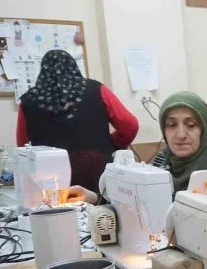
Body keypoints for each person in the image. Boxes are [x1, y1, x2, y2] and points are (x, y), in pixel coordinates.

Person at [66, 91, 207, 203]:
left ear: (204, 128)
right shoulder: (163, 159)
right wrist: (95, 198)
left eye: (191, 125)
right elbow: (140, 200)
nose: (181, 134)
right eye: (171, 125)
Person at [16, 49, 139, 192]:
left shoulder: (28, 101)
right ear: (73, 66)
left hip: (51, 177)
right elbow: (130, 125)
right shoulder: (96, 89)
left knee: (58, 214)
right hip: (97, 168)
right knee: (102, 212)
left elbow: (22, 146)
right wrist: (114, 143)